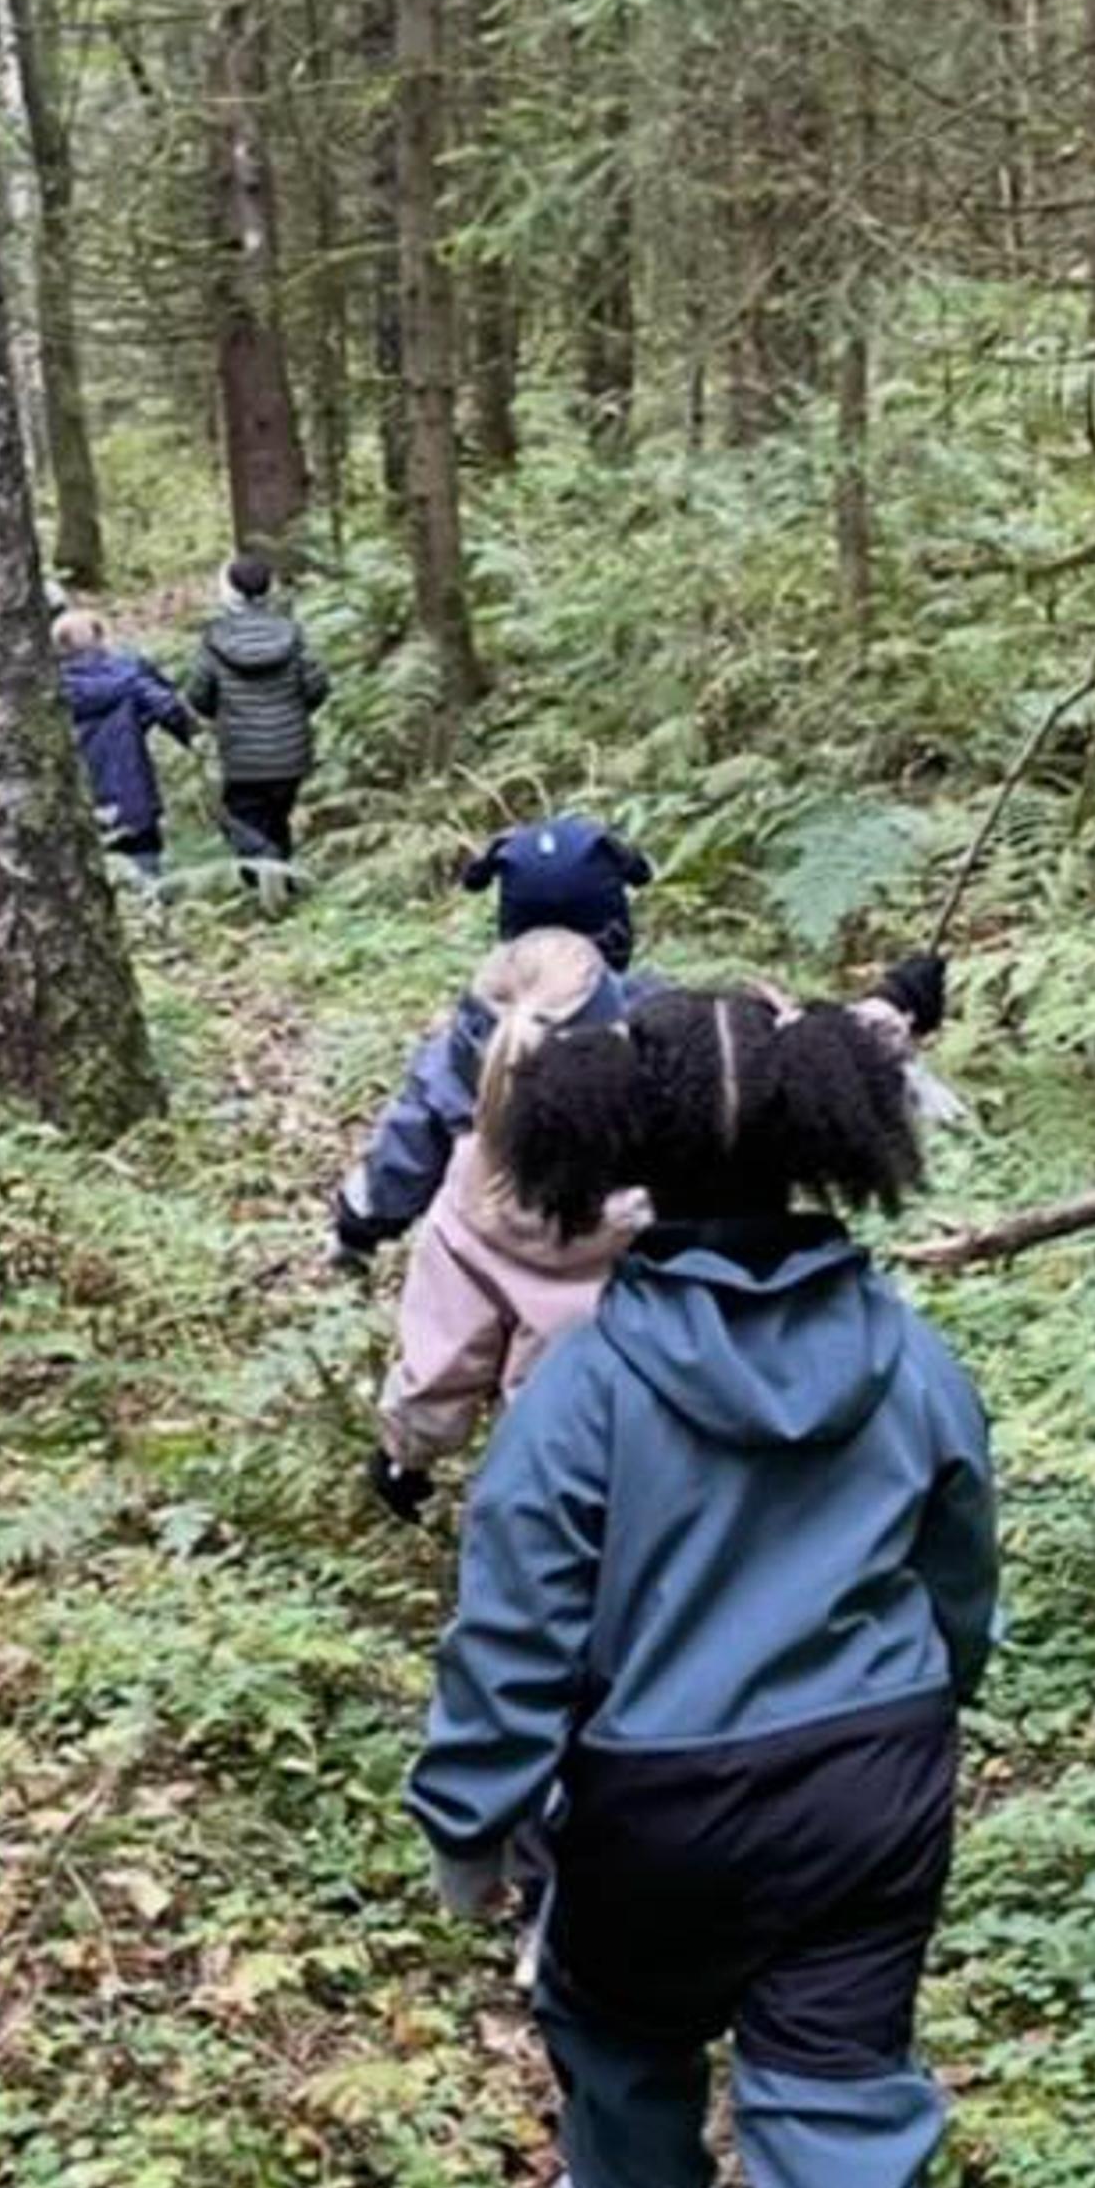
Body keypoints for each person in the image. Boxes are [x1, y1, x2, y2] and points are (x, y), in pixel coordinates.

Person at [406, 987, 998, 2188]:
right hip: (873, 1783)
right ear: (828, 1149)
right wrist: (937, 1696)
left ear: (629, 1160)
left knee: (619, 2030)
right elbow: (959, 1576)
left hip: (651, 1802)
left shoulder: (589, 1390)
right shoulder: (909, 1358)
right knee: (841, 2093)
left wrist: (470, 1815)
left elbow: (512, 1627)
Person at [370, 927, 648, 1517]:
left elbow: (445, 1355)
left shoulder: (472, 1190)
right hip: (687, 1467)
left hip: (554, 1474)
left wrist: (405, 1452)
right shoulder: (687, 1165)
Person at [329, 810, 656, 1270]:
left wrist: (355, 1225)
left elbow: (407, 1148)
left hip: (499, 1264)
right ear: (617, 926)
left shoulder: (468, 1037)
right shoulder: (663, 1020)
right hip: (641, 1268)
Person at [184, 550, 329, 892]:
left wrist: (220, 715)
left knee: (246, 822)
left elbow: (198, 694)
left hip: (242, 755)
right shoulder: (291, 634)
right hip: (290, 752)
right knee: (277, 818)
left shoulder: (215, 639)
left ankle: (268, 886)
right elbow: (317, 685)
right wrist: (294, 713)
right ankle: (282, 886)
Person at [51, 606, 198, 892]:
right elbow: (169, 708)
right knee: (146, 872)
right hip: (131, 794)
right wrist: (195, 739)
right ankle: (154, 924)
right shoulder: (128, 677)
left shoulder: (46, 691)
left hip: (74, 801)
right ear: (100, 637)